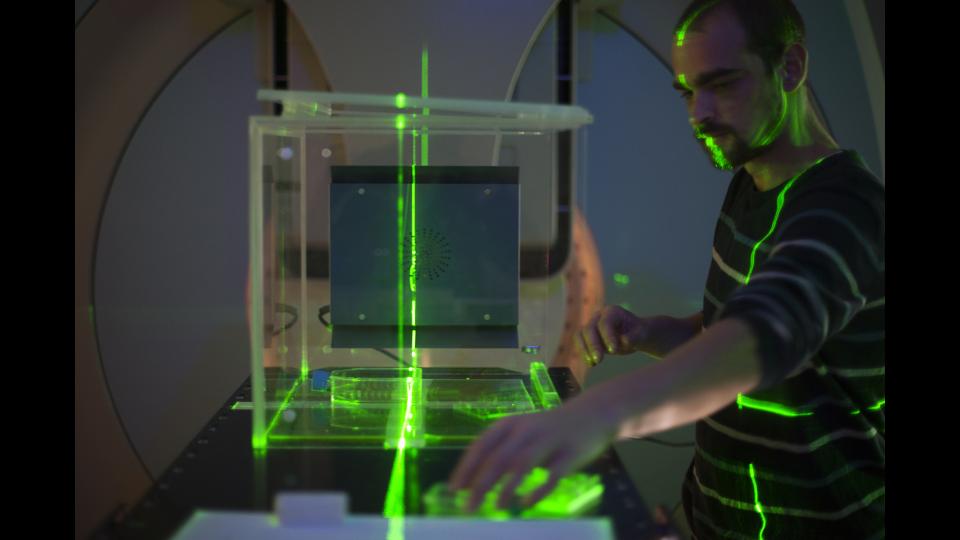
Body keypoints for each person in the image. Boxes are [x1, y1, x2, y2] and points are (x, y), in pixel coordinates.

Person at [449, 0, 884, 538]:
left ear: (791, 67)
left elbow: (765, 335)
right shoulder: (750, 183)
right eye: (687, 91)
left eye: (722, 83)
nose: (698, 113)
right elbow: (733, 326)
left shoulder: (847, 209)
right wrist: (657, 332)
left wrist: (597, 416)